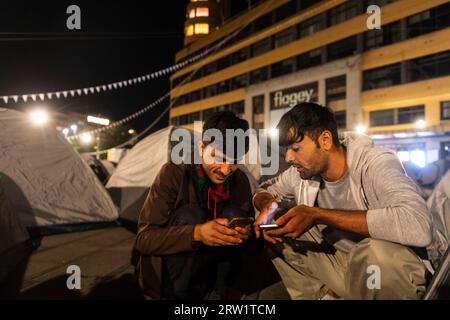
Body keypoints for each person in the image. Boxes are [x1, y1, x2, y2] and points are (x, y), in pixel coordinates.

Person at [253, 102, 433, 300]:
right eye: (286, 149)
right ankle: (324, 296)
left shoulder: (376, 163)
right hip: (343, 266)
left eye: (295, 148)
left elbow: (418, 225)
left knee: (376, 253)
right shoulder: (302, 172)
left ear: (325, 140)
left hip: (384, 272)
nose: (288, 157)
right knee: (275, 223)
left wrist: (318, 215)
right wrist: (268, 208)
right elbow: (264, 190)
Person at [135, 111, 254, 299]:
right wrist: (197, 233)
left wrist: (246, 232)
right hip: (173, 272)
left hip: (212, 269)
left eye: (234, 162)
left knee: (234, 214)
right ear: (202, 147)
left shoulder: (238, 179)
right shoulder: (174, 173)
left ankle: (219, 292)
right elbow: (144, 240)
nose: (226, 170)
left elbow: (249, 232)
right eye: (219, 158)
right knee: (191, 215)